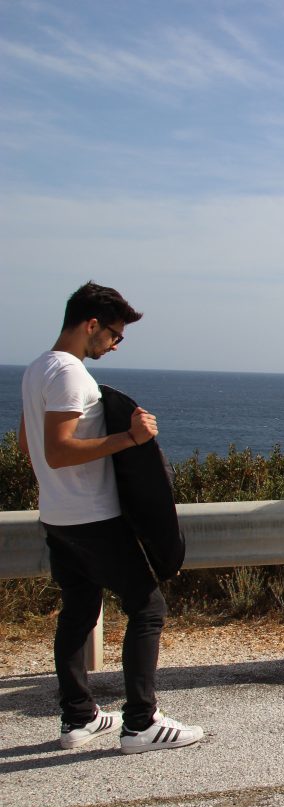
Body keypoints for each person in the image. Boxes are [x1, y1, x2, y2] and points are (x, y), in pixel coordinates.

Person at [18, 282, 204, 754]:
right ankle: (141, 723)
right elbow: (59, 451)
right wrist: (131, 438)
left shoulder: (36, 368)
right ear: (92, 325)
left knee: (79, 609)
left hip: (57, 516)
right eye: (115, 335)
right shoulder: (71, 375)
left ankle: (78, 718)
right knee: (147, 607)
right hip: (93, 517)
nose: (116, 344)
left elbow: (29, 446)